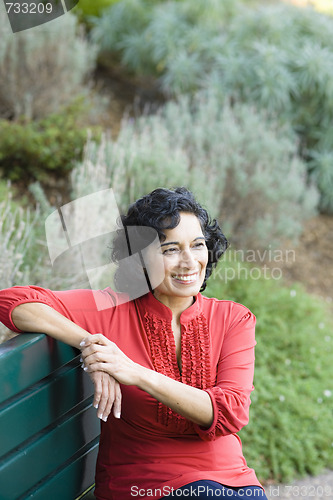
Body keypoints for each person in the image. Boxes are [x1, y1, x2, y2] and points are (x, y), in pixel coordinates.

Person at [0, 187, 267, 500]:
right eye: (170, 250)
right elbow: (14, 301)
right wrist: (91, 344)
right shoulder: (111, 310)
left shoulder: (233, 318)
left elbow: (230, 412)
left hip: (231, 482)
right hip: (146, 482)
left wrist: (134, 372)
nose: (189, 261)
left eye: (197, 246)